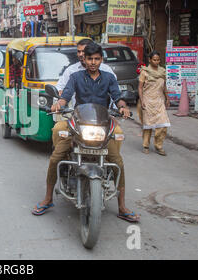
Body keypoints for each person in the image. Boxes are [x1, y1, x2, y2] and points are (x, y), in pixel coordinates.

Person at [32, 43, 140, 223]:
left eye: (96, 59)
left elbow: (117, 97)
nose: (93, 62)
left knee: (117, 160)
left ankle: (122, 206)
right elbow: (66, 95)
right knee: (56, 157)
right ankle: (48, 198)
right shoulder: (75, 76)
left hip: (102, 123)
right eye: (90, 58)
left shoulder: (108, 78)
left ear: (101, 59)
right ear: (84, 59)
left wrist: (123, 107)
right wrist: (59, 104)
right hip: (78, 122)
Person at [138, 51, 170, 156]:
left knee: (163, 124)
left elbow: (164, 86)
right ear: (150, 60)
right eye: (154, 60)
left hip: (159, 101)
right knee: (148, 125)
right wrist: (142, 101)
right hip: (147, 101)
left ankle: (158, 146)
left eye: (158, 60)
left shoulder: (162, 72)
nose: (156, 62)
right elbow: (140, 87)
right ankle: (146, 145)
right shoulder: (145, 72)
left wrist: (167, 98)